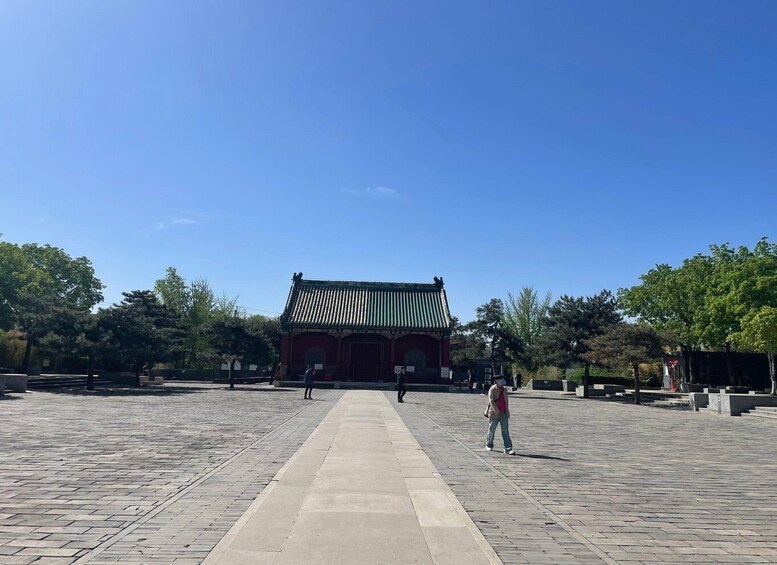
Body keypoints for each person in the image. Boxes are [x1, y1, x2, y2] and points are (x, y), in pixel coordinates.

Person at [485, 376, 514, 455]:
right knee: (492, 429)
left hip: (503, 412)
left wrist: (507, 411)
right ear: (497, 381)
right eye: (501, 380)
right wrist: (496, 411)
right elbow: (491, 401)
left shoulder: (504, 390)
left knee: (505, 431)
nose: (502, 381)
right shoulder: (492, 389)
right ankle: (489, 444)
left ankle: (508, 448)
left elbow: (506, 401)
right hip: (494, 413)